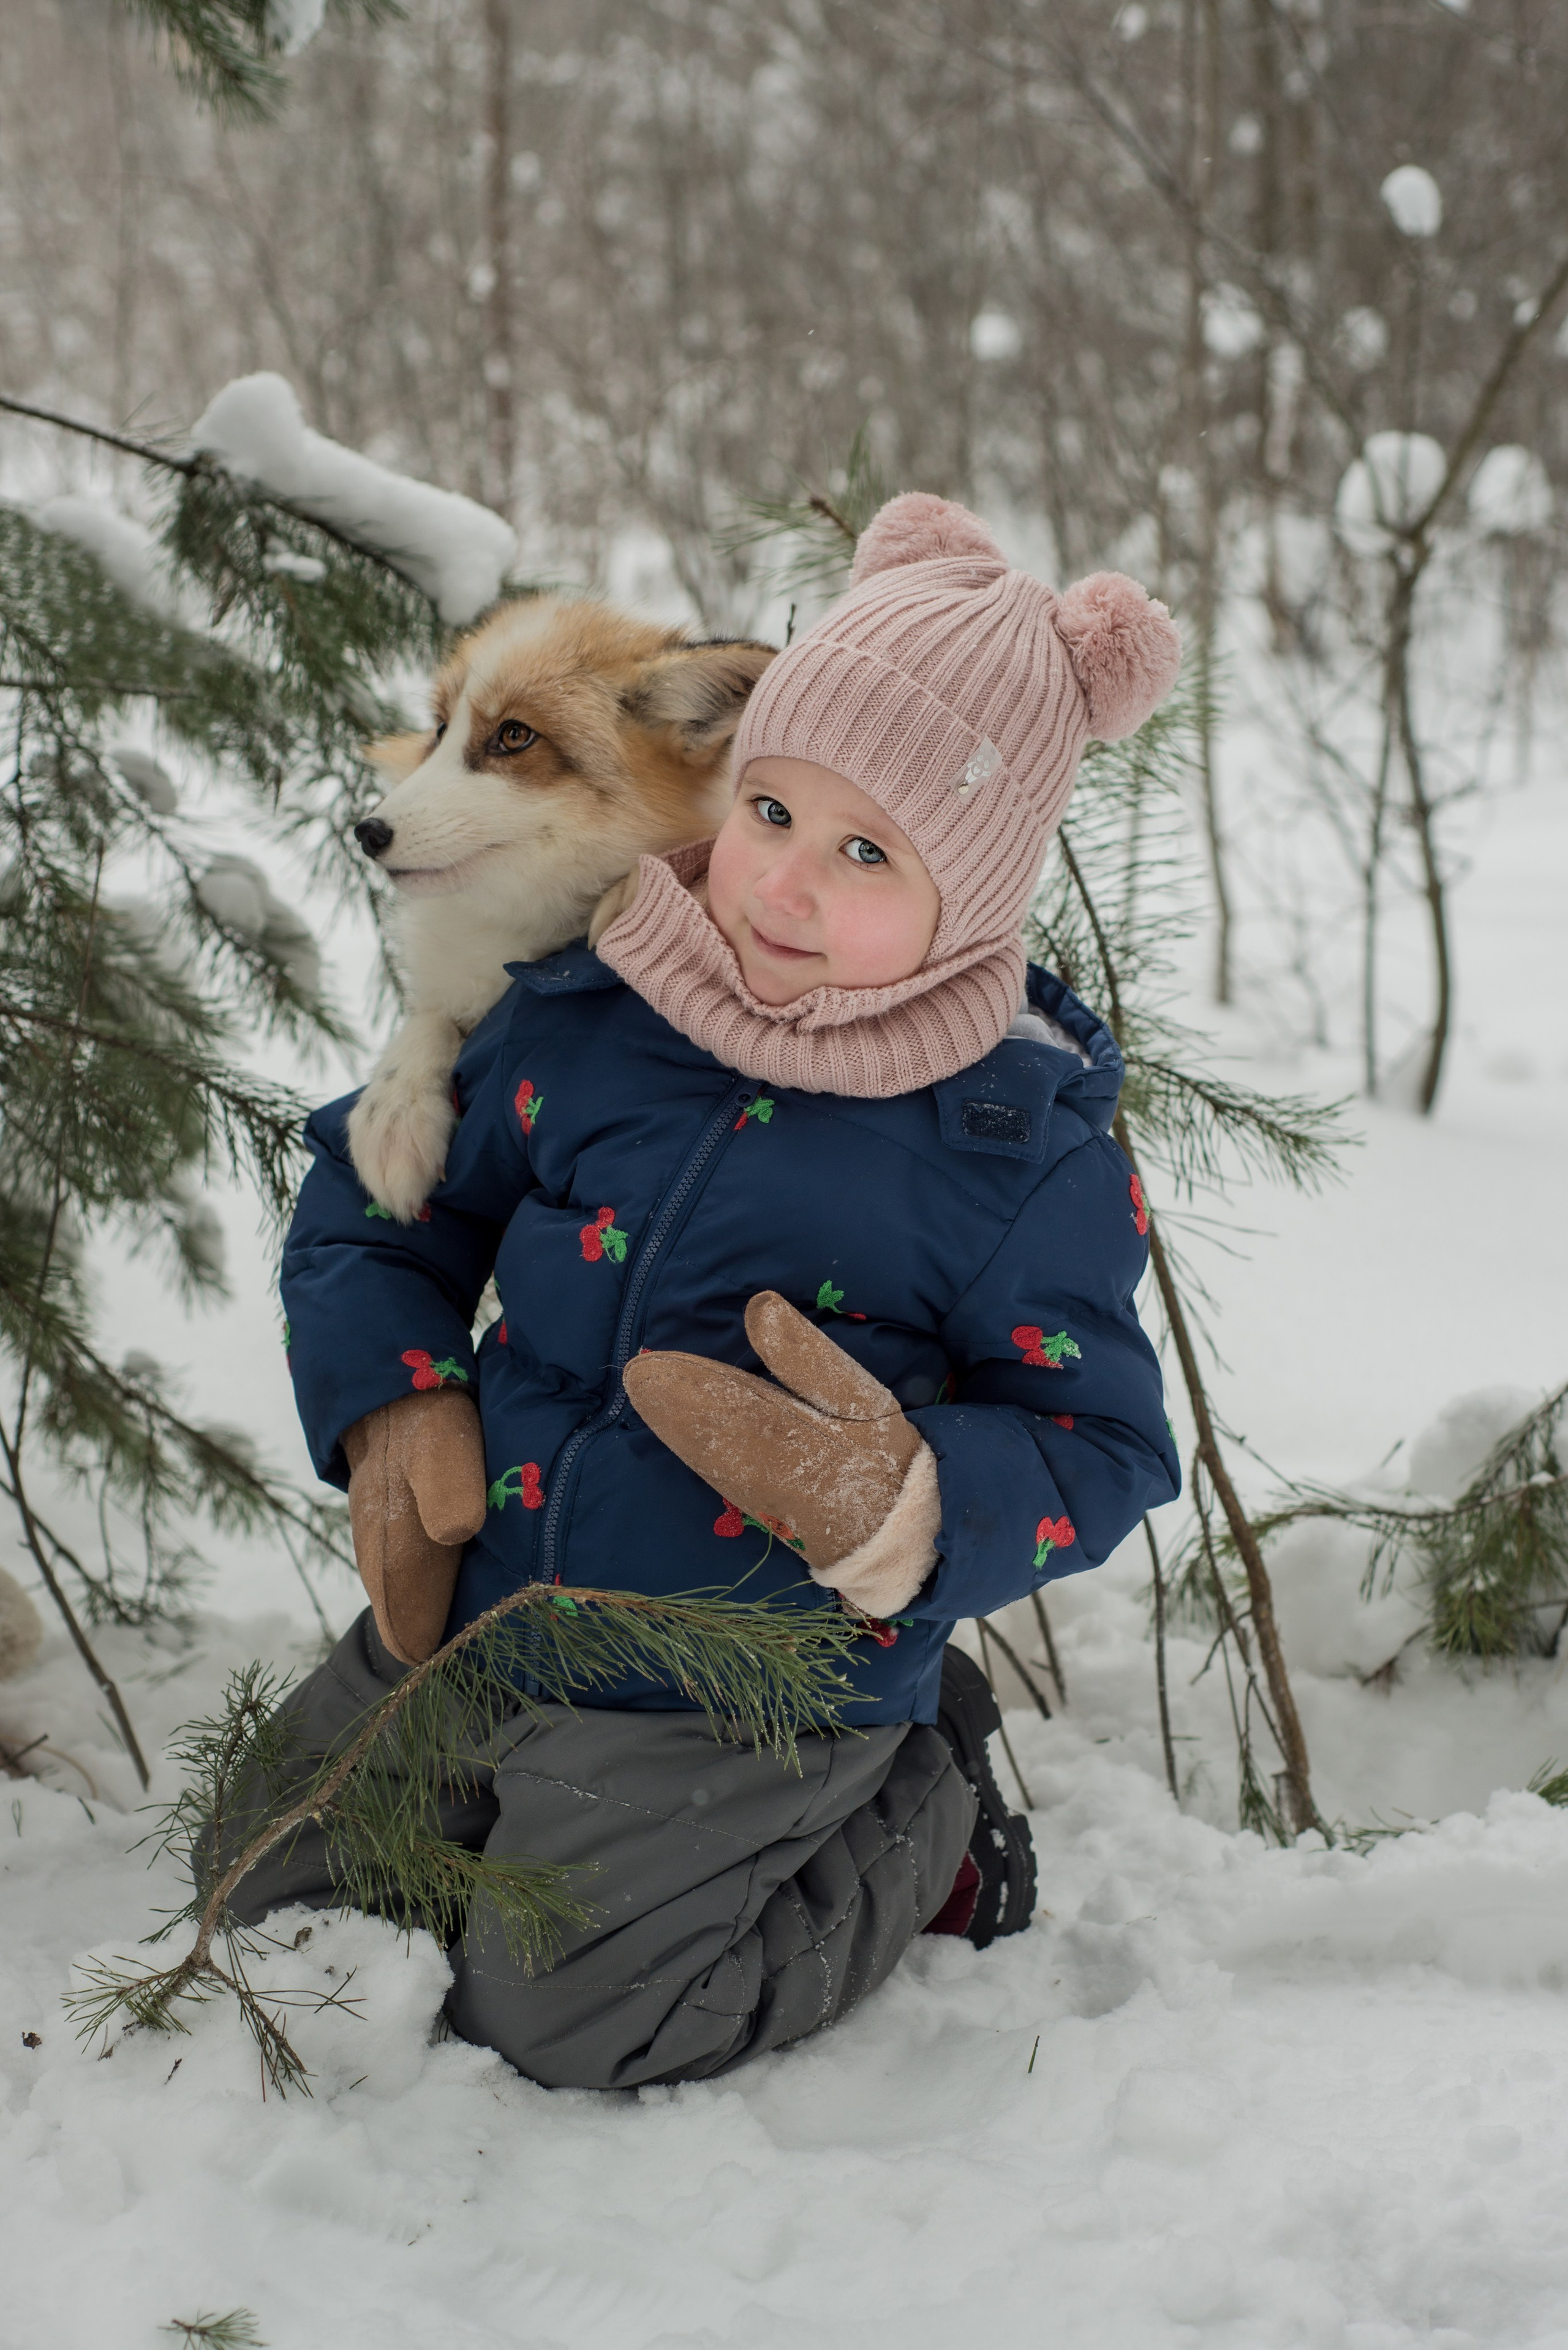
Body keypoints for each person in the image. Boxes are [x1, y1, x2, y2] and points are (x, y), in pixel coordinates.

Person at [241, 492, 1182, 2090]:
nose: (788, 887)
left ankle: (926, 1810)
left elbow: (1101, 1443)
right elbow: (378, 1197)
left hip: (743, 1687)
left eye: (869, 852)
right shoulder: (602, 1001)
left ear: (973, 891)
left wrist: (908, 1505)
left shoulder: (1011, 1144)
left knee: (579, 2021)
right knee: (268, 1904)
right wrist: (396, 1399)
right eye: (772, 815)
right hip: (492, 1609)